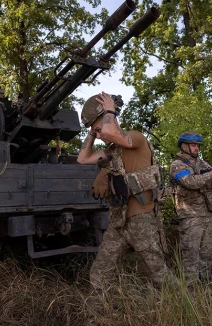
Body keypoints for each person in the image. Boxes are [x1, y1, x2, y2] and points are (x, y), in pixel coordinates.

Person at [78, 92, 175, 290]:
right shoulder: (111, 151)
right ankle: (97, 316)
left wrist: (109, 111)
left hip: (142, 221)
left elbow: (110, 132)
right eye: (95, 132)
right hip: (119, 222)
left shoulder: (135, 138)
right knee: (100, 273)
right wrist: (91, 130)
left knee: (159, 275)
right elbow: (83, 158)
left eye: (98, 129)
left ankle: (184, 309)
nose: (98, 135)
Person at [169, 131, 212, 283]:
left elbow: (211, 182)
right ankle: (191, 289)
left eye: (198, 146)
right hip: (191, 215)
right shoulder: (177, 165)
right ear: (184, 146)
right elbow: (190, 182)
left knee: (208, 252)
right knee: (191, 253)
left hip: (208, 213)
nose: (196, 148)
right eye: (193, 145)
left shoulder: (202, 163)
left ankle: (205, 286)